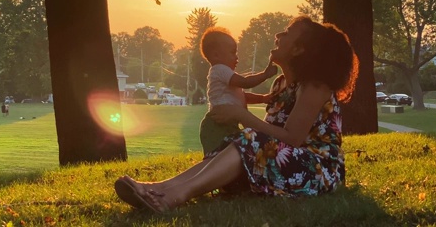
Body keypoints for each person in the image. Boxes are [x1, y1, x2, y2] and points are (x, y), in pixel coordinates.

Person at [114, 15, 359, 213]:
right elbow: (272, 138)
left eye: (286, 33)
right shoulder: (280, 84)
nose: (278, 35)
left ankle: (175, 196)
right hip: (286, 163)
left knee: (250, 138)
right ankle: (158, 188)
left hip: (318, 170)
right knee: (235, 142)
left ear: (298, 50)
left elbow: (292, 139)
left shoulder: (315, 87)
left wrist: (240, 115)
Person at [198, 26, 278, 156]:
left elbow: (242, 96)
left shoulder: (226, 76)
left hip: (227, 124)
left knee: (229, 156)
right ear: (216, 55)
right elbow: (245, 83)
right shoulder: (219, 69)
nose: (236, 58)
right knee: (218, 159)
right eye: (232, 52)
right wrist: (265, 75)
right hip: (217, 125)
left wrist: (262, 98)